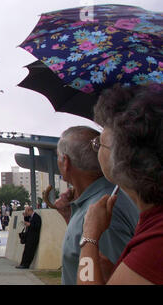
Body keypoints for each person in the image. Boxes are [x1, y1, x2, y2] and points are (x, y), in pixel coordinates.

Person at [77, 84, 163, 285]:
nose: (96, 149)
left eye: (99, 143)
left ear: (125, 161)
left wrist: (89, 237)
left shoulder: (156, 242)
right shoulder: (153, 221)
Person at [51, 126, 139, 284]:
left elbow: (100, 274)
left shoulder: (105, 210)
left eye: (58, 157)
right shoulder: (96, 203)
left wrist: (91, 235)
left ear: (65, 162)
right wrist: (69, 217)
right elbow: (83, 255)